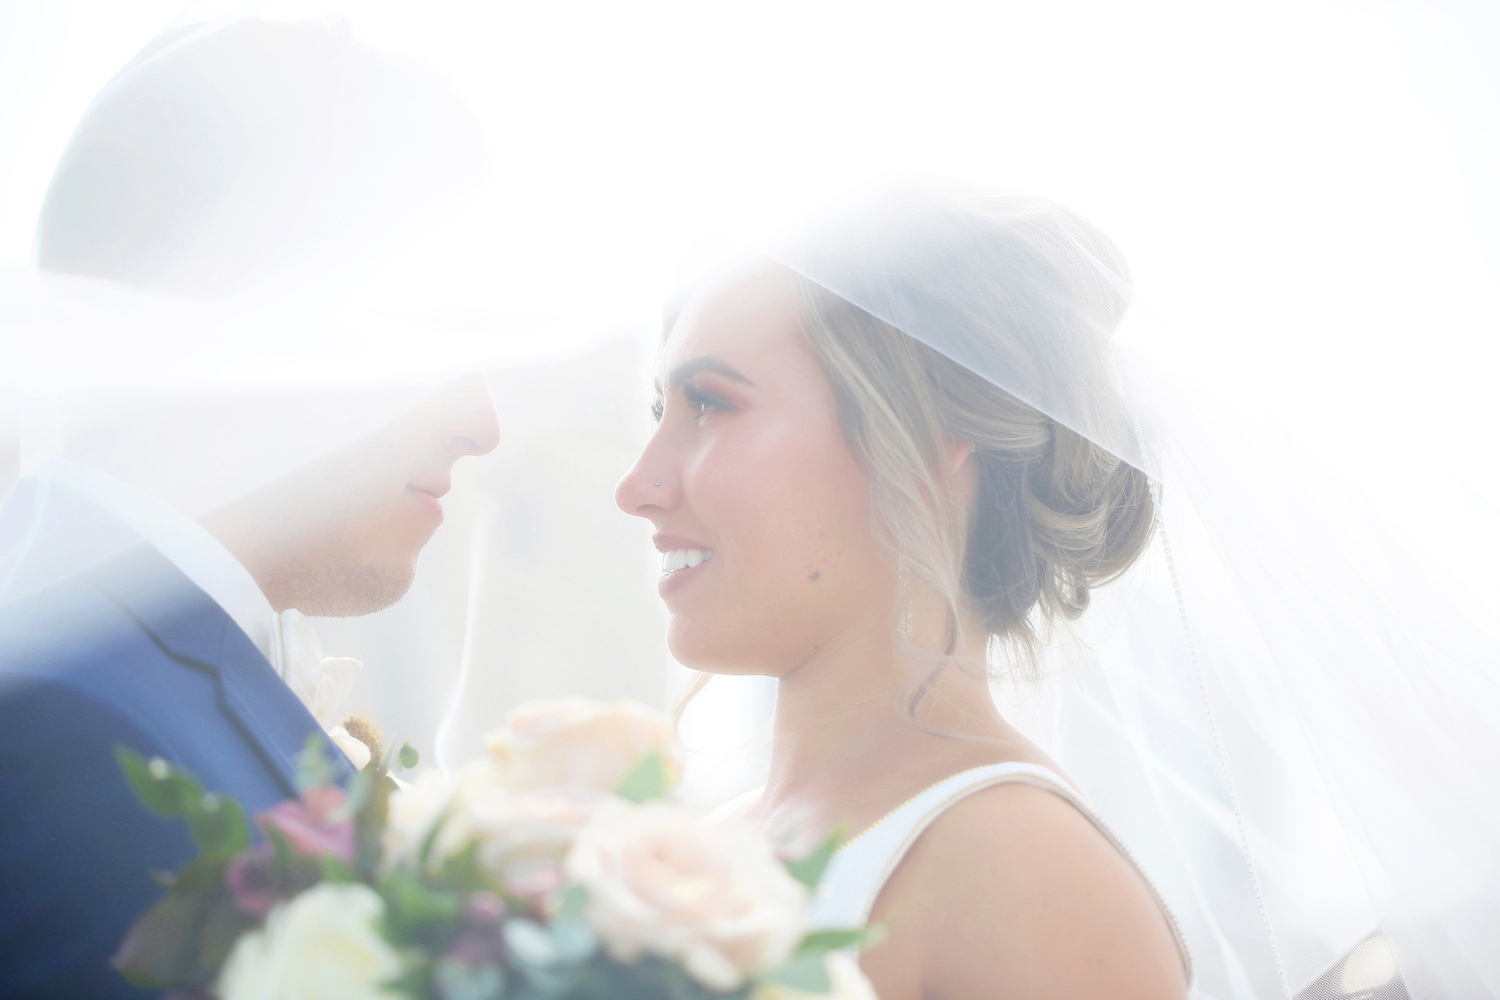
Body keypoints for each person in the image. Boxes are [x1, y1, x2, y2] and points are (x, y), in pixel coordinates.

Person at [0, 13, 496, 999]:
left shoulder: (157, 654)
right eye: (439, 326)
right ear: (255, 313)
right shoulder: (57, 712)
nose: (481, 423)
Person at [616, 191, 1191, 998]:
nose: (636, 485)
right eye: (658, 410)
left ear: (921, 441)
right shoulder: (694, 854)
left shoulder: (1025, 880)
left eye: (710, 404)